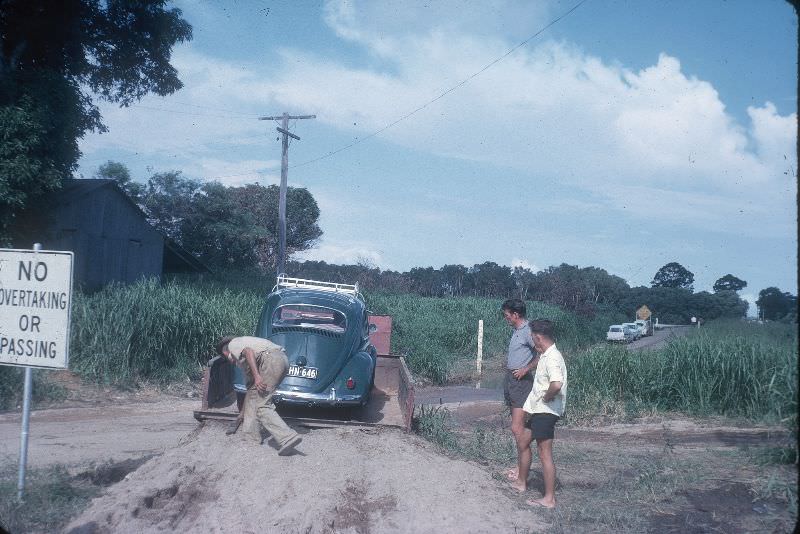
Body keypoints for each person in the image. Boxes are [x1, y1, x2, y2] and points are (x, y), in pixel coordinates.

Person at [216, 335, 302, 456]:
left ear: (225, 352)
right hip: (281, 360)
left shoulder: (233, 344)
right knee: (253, 395)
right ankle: (251, 438)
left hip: (270, 360)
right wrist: (241, 415)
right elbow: (250, 390)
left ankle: (288, 437)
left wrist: (257, 376)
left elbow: (248, 351)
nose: (232, 361)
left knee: (263, 405)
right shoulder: (250, 353)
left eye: (227, 357)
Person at [522, 319, 567, 508]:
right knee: (523, 441)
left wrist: (548, 397)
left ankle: (549, 498)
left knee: (544, 453)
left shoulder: (553, 357)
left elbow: (556, 384)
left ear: (538, 338)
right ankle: (520, 479)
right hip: (537, 410)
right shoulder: (545, 355)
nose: (533, 342)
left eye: (533, 339)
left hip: (546, 412)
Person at [500, 299, 539, 492]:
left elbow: (542, 352)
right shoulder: (517, 331)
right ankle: (519, 468)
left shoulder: (528, 331)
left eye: (507, 315)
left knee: (517, 429)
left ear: (516, 315)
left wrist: (526, 369)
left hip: (521, 382)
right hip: (511, 379)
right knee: (517, 428)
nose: (506, 319)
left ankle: (522, 471)